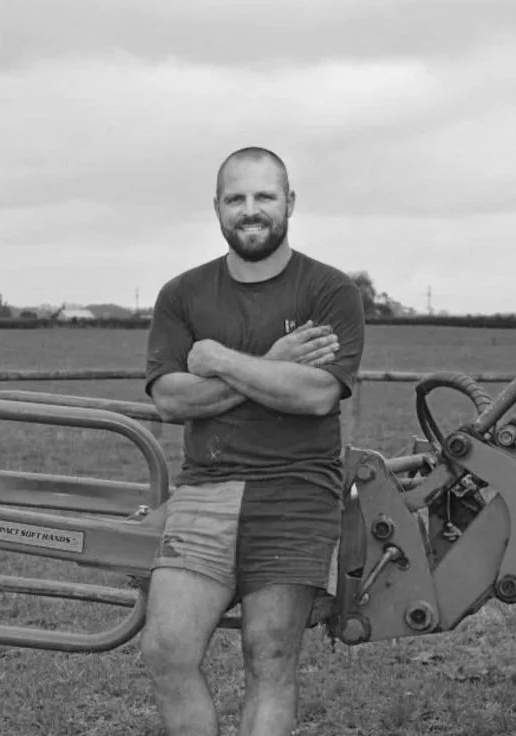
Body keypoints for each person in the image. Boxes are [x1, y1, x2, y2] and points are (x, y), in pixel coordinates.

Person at [142, 146, 365, 736]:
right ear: (217, 207)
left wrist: (217, 362)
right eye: (236, 198)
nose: (251, 210)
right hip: (205, 489)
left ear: (289, 203)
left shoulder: (329, 291)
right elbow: (170, 399)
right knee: (167, 649)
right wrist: (270, 366)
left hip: (297, 491)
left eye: (264, 196)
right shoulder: (183, 294)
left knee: (269, 658)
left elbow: (316, 394)